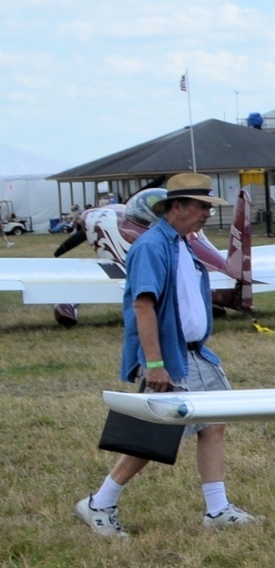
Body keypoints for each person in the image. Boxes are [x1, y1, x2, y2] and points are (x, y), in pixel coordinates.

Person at [74, 173, 258, 538]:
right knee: (154, 435)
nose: (207, 213)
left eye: (209, 206)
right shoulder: (151, 246)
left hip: (197, 353)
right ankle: (99, 504)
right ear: (177, 207)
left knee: (214, 423)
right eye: (201, 206)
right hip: (170, 356)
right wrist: (155, 363)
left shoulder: (182, 244)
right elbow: (143, 305)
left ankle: (217, 509)